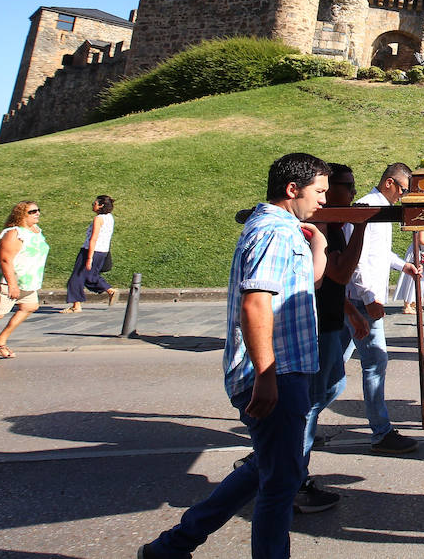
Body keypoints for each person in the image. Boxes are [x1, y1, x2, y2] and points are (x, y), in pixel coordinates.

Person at [139, 153, 330, 559]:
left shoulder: (284, 229)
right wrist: (266, 375)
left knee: (268, 469)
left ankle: (172, 546)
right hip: (278, 372)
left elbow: (305, 280)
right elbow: (256, 304)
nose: (324, 200)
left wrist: (322, 245)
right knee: (280, 484)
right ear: (292, 189)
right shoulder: (273, 232)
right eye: (320, 191)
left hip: (284, 369)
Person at [296, 163, 370, 514]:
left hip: (328, 320)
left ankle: (281, 460)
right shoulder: (323, 225)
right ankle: (293, 477)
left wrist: (351, 312)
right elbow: (339, 271)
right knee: (311, 401)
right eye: (348, 187)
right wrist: (362, 228)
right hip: (316, 326)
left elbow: (333, 280)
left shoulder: (331, 225)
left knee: (330, 388)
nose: (352, 194)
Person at [345, 163, 421, 455]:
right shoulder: (368, 208)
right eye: (402, 189)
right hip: (362, 300)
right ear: (389, 182)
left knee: (331, 372)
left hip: (360, 299)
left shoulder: (379, 210)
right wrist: (368, 298)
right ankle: (381, 432)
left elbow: (377, 252)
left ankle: (302, 426)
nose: (403, 195)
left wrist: (403, 265)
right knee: (375, 364)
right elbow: (359, 258)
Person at [0, 201, 50, 364]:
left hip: (27, 281)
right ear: (21, 214)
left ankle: (0, 341)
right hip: (4, 281)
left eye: (38, 210)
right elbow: (5, 259)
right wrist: (12, 284)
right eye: (32, 211)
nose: (37, 213)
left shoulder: (36, 231)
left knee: (30, 306)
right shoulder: (13, 233)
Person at [61, 195, 118, 313]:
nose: (93, 205)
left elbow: (93, 238)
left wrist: (89, 257)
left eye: (94, 203)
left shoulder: (98, 219)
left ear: (101, 205)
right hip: (102, 251)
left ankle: (76, 305)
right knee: (90, 275)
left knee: (76, 277)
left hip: (90, 250)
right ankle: (109, 290)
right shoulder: (110, 218)